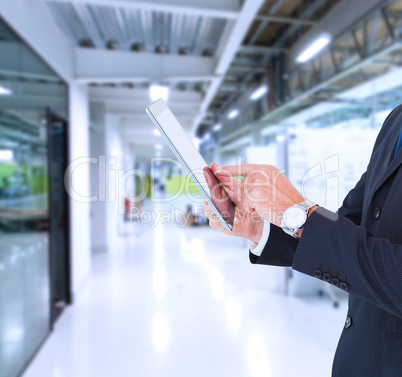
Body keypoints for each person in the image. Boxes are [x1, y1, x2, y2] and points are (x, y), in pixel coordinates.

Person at [203, 104, 402, 377]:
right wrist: (259, 228)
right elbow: (351, 222)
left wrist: (299, 214)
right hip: (356, 357)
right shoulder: (396, 120)